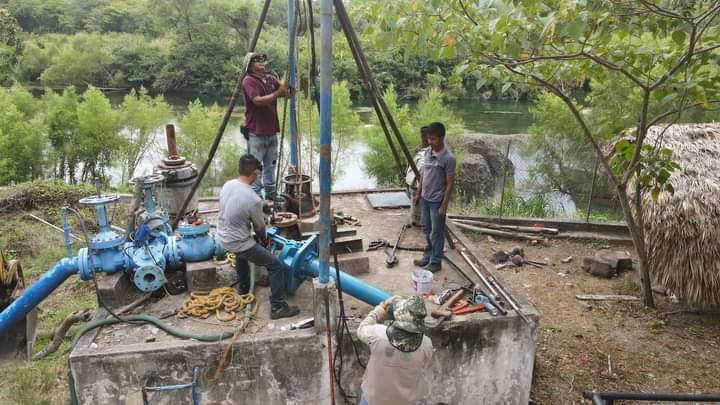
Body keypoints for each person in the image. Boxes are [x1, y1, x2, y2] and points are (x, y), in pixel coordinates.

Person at [217, 154, 300, 320]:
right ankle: (278, 306)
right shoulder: (252, 199)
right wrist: (265, 241)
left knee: (242, 253)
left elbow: (244, 203)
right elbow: (260, 227)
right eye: (258, 175)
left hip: (222, 236)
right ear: (255, 173)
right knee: (276, 265)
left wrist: (265, 207)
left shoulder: (229, 185)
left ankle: (244, 287)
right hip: (238, 241)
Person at [357, 295, 434, 405]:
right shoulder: (426, 345)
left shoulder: (377, 334)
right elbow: (425, 364)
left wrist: (380, 309)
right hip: (406, 401)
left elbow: (361, 329)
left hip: (373, 400)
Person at [241, 52, 289, 199]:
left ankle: (270, 193)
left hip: (271, 130)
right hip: (256, 131)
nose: (261, 62)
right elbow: (258, 101)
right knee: (255, 166)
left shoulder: (269, 79)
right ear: (250, 65)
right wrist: (277, 93)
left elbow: (286, 93)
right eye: (257, 61)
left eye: (262, 60)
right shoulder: (248, 81)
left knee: (271, 164)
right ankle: (255, 196)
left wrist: (286, 88)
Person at [413, 122, 455, 273]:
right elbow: (424, 174)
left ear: (442, 138)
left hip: (437, 201)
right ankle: (428, 255)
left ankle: (436, 261)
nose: (430, 142)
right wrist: (418, 193)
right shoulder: (428, 152)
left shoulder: (448, 158)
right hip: (425, 198)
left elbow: (450, 184)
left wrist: (444, 205)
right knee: (426, 228)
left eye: (433, 139)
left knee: (436, 232)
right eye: (429, 139)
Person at [406, 126, 430, 227]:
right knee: (415, 206)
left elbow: (423, 172)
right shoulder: (419, 149)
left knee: (421, 209)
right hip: (416, 182)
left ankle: (421, 221)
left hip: (422, 184)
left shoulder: (430, 153)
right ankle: (416, 220)